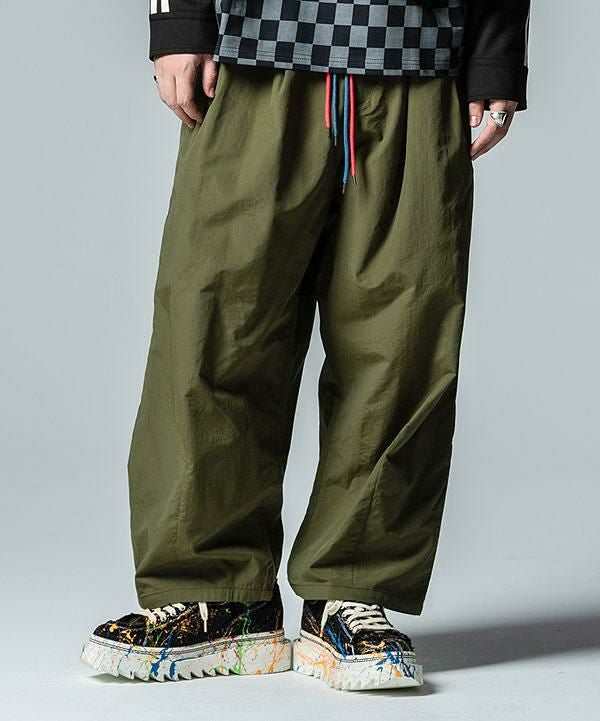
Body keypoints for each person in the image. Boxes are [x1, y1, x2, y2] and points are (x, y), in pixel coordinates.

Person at [81, 0, 531, 690]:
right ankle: (219, 595)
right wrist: (179, 21)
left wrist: (495, 51)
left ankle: (351, 590)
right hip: (257, 51)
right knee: (213, 323)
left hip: (417, 53)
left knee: (402, 339)